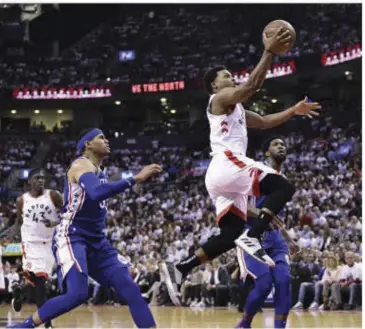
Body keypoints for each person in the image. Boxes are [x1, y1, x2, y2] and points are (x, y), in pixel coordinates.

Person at [161, 27, 321, 305]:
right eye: (225, 76)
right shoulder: (219, 99)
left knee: (231, 233)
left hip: (220, 175)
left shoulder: (238, 111)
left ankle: (181, 268)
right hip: (227, 163)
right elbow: (251, 87)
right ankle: (255, 236)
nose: (230, 77)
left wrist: (293, 111)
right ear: (214, 85)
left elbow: (267, 121)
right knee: (284, 186)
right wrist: (269, 51)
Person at [9, 128, 161, 328]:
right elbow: (97, 192)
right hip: (72, 236)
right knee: (78, 294)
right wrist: (135, 178)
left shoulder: (101, 172)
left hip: (97, 241)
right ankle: (22, 327)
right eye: (101, 138)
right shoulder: (80, 164)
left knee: (130, 288)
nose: (107, 141)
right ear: (87, 144)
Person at [235, 137, 299, 329]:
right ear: (267, 153)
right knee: (263, 284)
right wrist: (265, 216)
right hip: (252, 236)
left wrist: (288, 238)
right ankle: (245, 323)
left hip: (275, 239)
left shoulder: (283, 182)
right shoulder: (253, 173)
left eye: (283, 145)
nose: (282, 146)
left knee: (284, 279)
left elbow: (275, 217)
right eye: (276, 144)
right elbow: (240, 206)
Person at [4, 169, 63, 329]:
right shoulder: (22, 200)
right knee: (40, 283)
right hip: (30, 244)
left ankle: (20, 291)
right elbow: (18, 222)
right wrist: (9, 237)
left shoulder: (53, 196)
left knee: (39, 284)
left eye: (43, 178)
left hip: (49, 244)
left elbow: (68, 213)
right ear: (29, 181)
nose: (41, 181)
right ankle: (47, 324)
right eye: (37, 178)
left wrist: (54, 223)